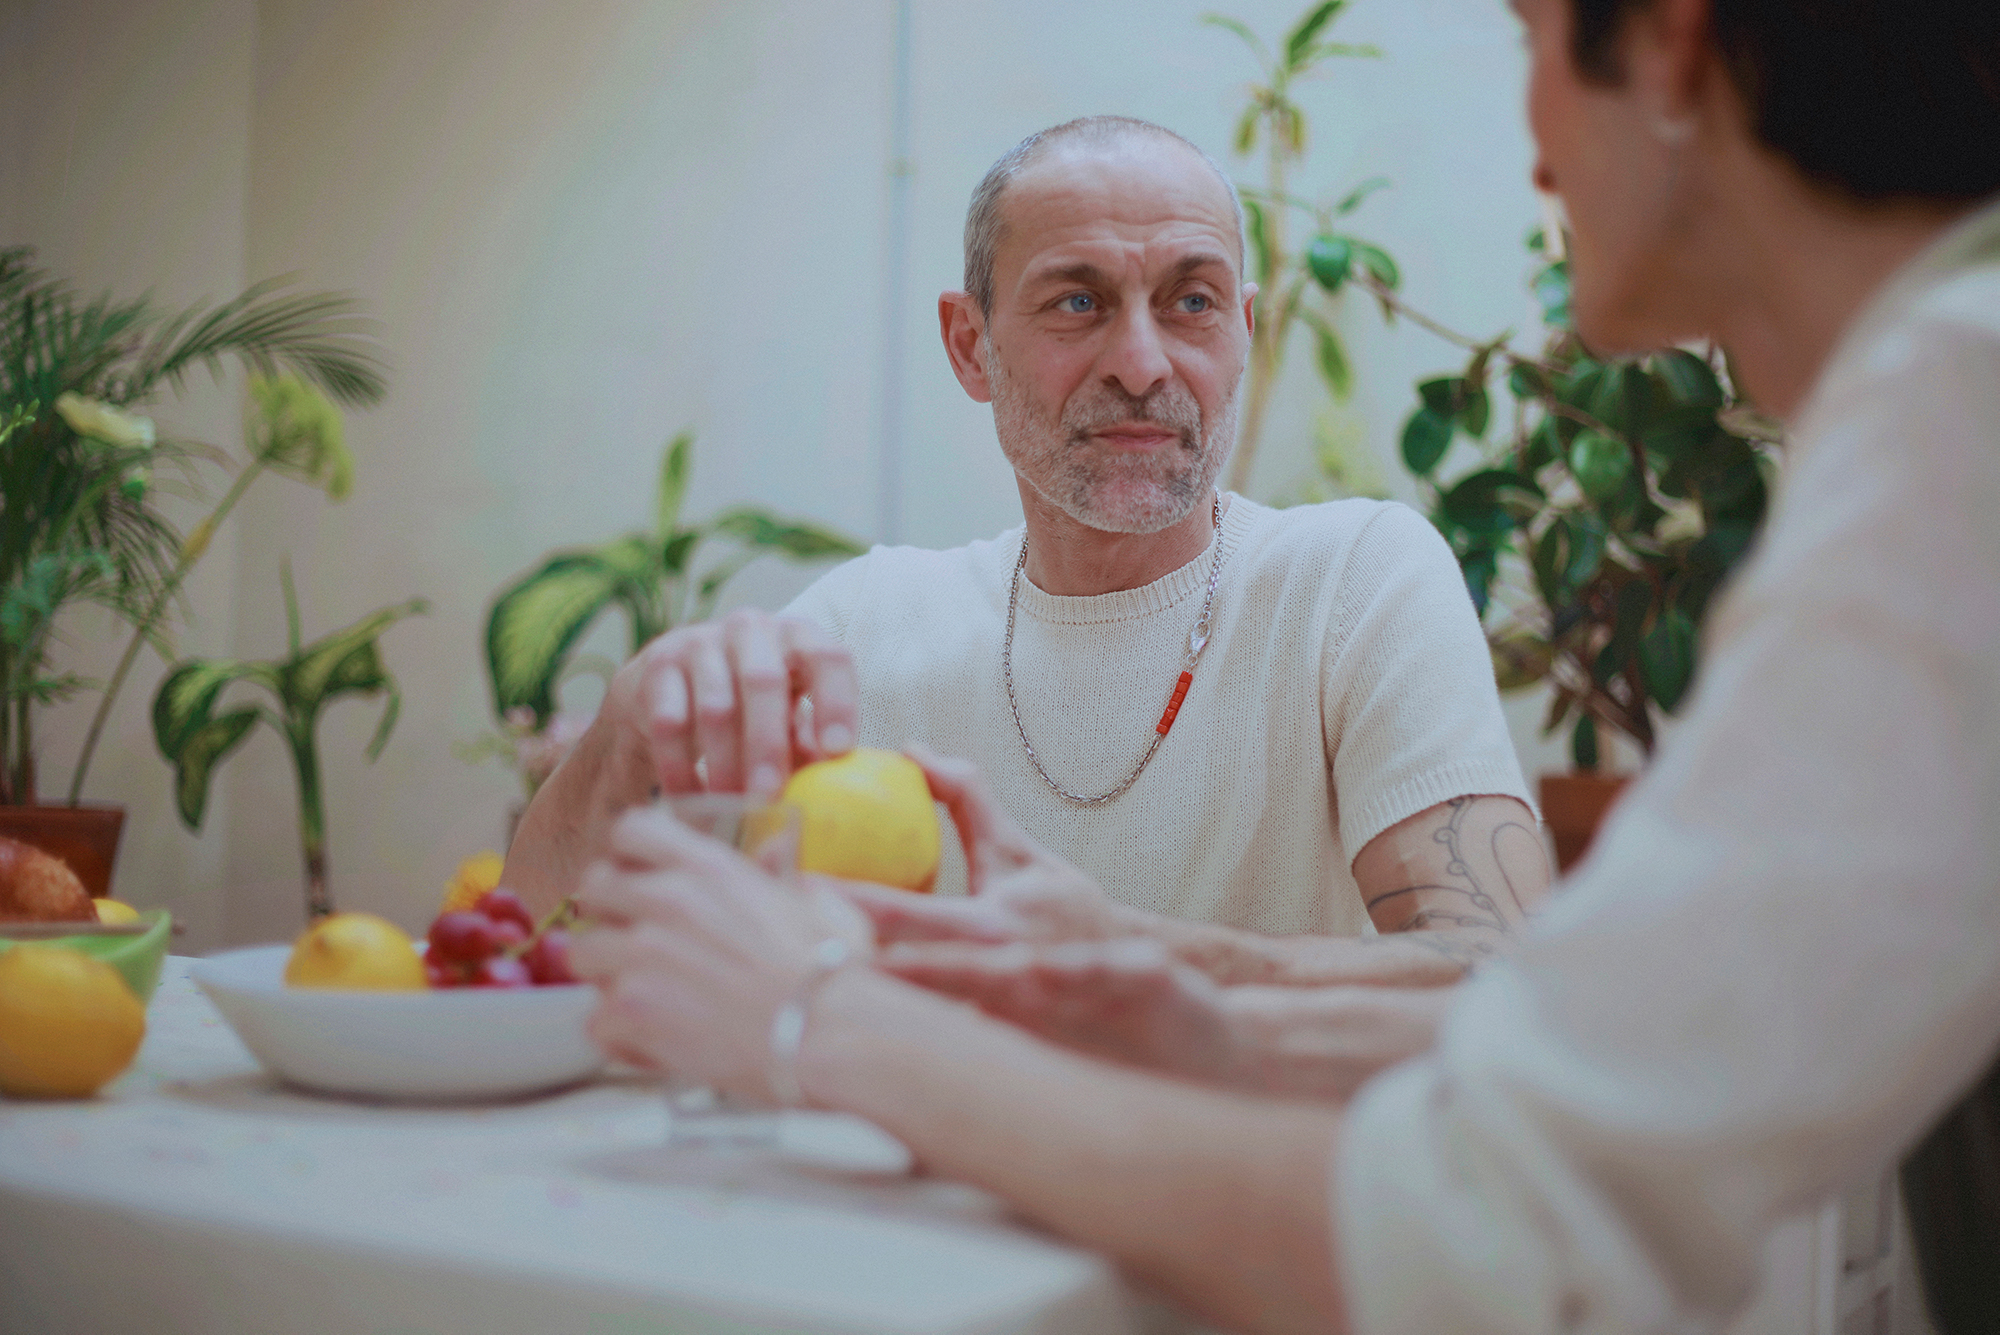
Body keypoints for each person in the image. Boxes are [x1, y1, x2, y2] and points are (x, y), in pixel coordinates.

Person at [568, 0, 2000, 1330]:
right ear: (971, 340)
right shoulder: (1944, 407)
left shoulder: (1961, 427)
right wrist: (1172, 979)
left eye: (1530, 34)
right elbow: (1581, 1051)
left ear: (1674, 43)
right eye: (1074, 303)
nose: (1533, 136)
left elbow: (1493, 1220)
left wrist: (826, 1017)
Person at [508, 114, 1549, 960]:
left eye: (1189, 301)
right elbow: (527, 951)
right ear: (970, 345)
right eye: (1077, 301)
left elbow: (1497, 977)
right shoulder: (857, 625)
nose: (1140, 363)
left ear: (1238, 330)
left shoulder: (1352, 581)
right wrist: (619, 736)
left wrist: (1127, 959)